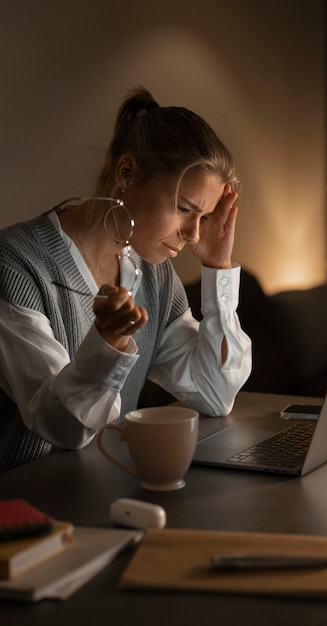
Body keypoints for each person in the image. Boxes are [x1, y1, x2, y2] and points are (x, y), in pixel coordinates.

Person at [0, 86, 252, 472]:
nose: (194, 235)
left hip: (107, 492)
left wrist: (219, 270)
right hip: (27, 508)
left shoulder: (152, 274)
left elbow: (214, 394)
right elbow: (61, 427)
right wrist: (108, 341)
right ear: (127, 172)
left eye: (203, 217)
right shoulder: (18, 264)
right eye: (184, 208)